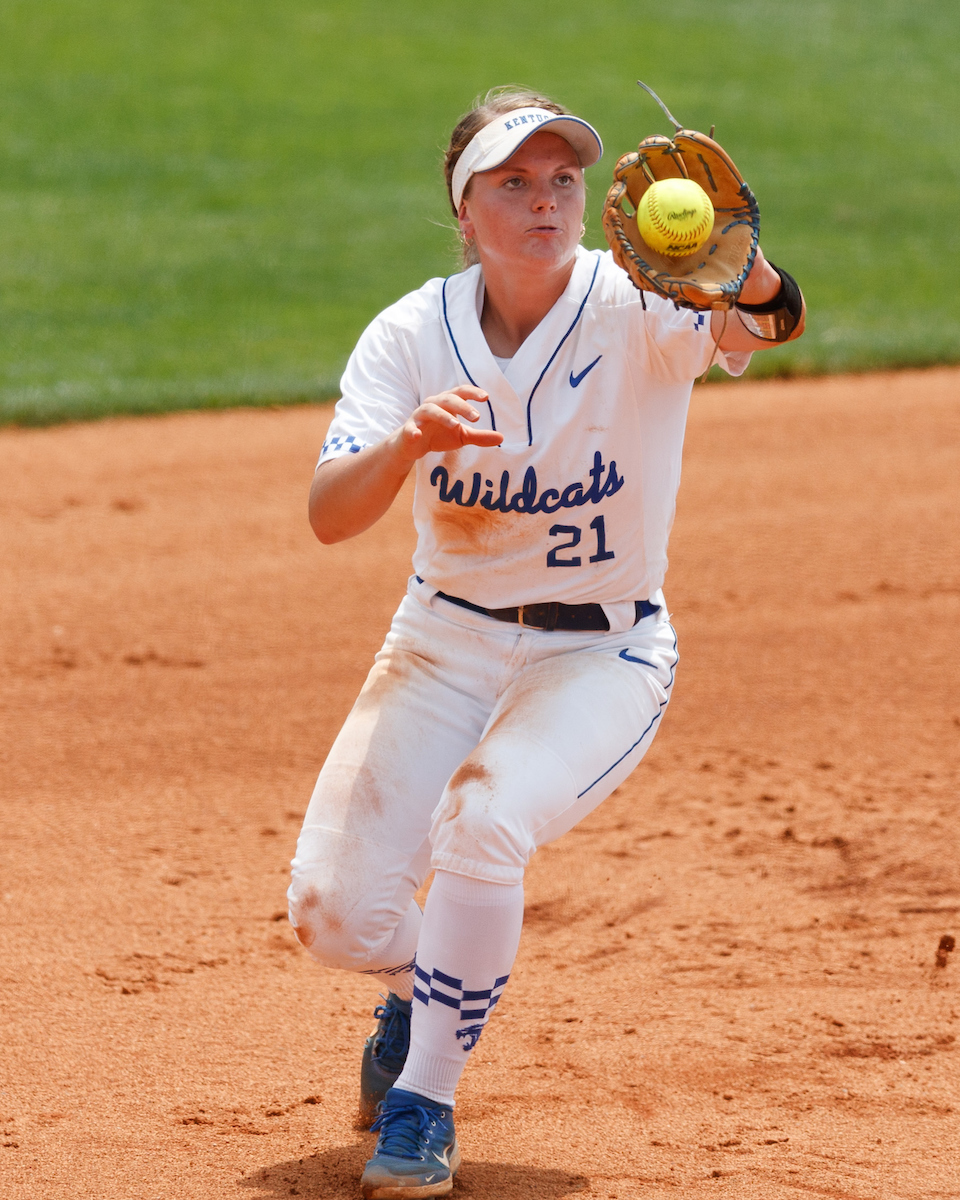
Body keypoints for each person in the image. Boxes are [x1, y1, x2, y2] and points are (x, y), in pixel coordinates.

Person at [287, 87, 805, 1199]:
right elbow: (331, 511)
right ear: (464, 212)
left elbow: (761, 321)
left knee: (484, 823)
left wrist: (749, 272)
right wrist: (411, 442)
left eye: (564, 179)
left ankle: (422, 1107)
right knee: (333, 915)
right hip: (441, 644)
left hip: (600, 657)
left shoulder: (641, 305)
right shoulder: (411, 335)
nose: (547, 201)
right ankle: (428, 992)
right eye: (514, 183)